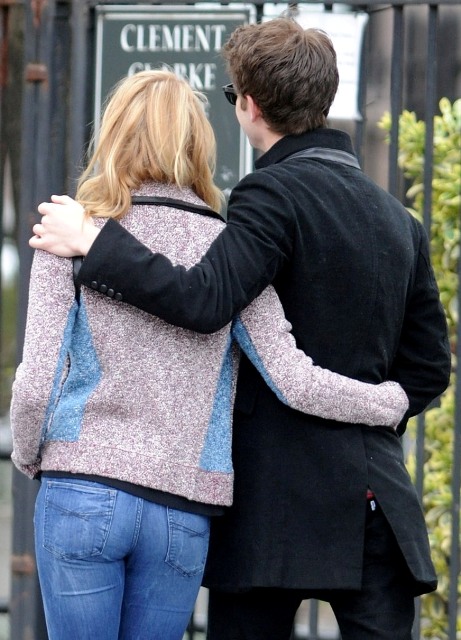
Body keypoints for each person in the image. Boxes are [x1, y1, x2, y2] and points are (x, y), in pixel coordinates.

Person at [29, 19, 451, 640]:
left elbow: (204, 298)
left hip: (266, 507)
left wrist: (97, 243)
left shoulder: (266, 196)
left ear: (249, 105)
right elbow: (430, 368)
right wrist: (383, 406)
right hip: (372, 496)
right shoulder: (399, 220)